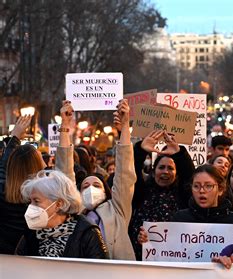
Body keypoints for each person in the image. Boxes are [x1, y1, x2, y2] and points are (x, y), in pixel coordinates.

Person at [55, 100, 137, 260]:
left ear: (106, 191)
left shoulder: (117, 209)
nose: (91, 189)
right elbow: (64, 174)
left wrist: (125, 126)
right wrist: (65, 127)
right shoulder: (73, 211)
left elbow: (124, 174)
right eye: (85, 186)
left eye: (96, 185)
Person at [129, 129, 194, 260]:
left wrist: (179, 153)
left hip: (173, 259)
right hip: (140, 257)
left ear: (177, 173)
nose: (165, 172)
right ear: (153, 171)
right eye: (161, 167)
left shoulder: (182, 195)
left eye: (170, 168)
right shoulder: (141, 192)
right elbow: (131, 173)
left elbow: (190, 177)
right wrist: (141, 150)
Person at [137, 165, 233, 245]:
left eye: (208, 186)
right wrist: (149, 242)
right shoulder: (180, 218)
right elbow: (166, 251)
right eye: (196, 186)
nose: (201, 191)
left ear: (220, 190)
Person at [15, 170, 108, 258]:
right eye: (30, 201)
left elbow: (99, 271)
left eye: (36, 201)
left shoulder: (87, 233)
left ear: (59, 204)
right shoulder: (31, 232)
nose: (31, 206)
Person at [0, 115, 46, 254]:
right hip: (32, 263)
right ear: (36, 166)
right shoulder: (45, 198)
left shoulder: (2, 193)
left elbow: (2, 168)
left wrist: (14, 137)